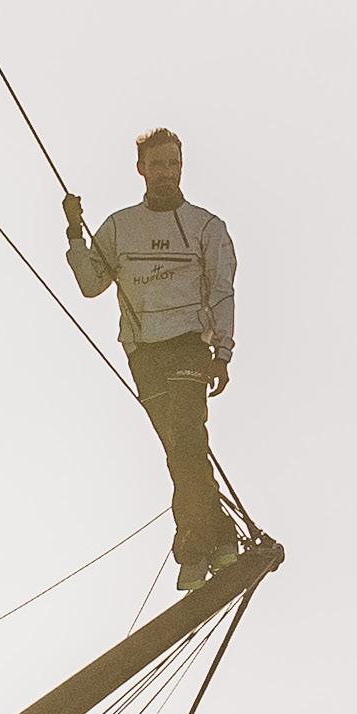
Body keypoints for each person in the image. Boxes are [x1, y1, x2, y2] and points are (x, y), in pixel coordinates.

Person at [64, 129, 239, 591]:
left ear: (182, 167)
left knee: (187, 441)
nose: (166, 172)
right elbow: (91, 284)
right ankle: (221, 539)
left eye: (173, 164)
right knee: (179, 449)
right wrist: (75, 233)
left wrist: (222, 353)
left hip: (189, 345)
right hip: (144, 353)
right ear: (141, 169)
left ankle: (194, 549)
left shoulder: (206, 227)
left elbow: (222, 292)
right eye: (157, 164)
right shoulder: (120, 227)